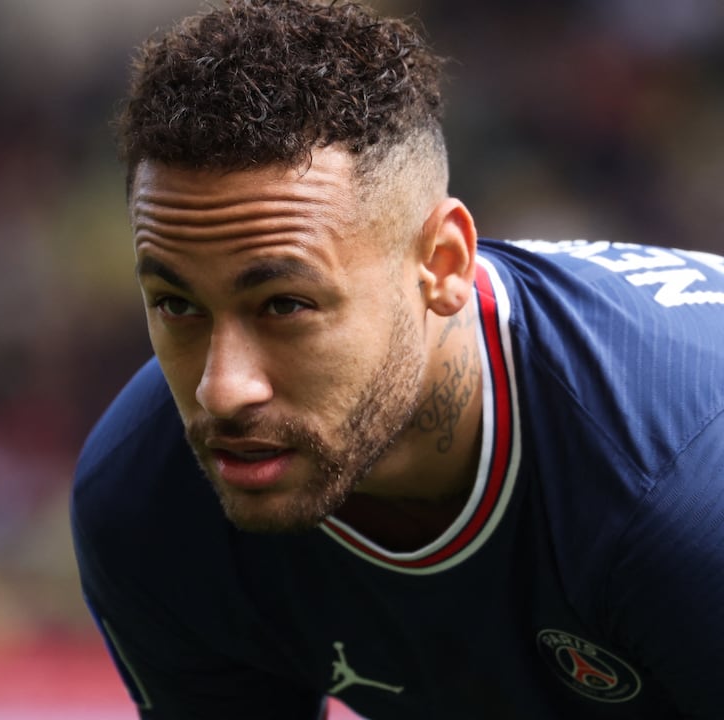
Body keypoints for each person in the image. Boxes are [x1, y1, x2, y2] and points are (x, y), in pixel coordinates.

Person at [69, 1, 724, 718]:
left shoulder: (678, 501)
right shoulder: (147, 501)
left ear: (442, 266)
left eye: (285, 305)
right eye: (177, 304)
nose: (223, 390)